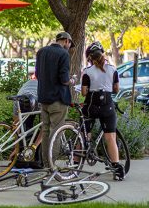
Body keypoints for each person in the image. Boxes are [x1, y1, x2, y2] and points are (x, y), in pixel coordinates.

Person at [81, 41, 124, 180]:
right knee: (110, 137)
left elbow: (83, 92)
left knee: (83, 133)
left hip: (91, 105)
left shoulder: (87, 72)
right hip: (107, 106)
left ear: (90, 58)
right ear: (103, 55)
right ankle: (117, 169)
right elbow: (116, 89)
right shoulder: (113, 69)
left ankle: (76, 163)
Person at [35, 31, 76, 168]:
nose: (69, 47)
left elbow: (37, 74)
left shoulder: (41, 52)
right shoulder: (64, 54)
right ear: (66, 41)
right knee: (56, 132)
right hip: (58, 99)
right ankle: (52, 165)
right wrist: (72, 80)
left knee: (46, 131)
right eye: (69, 44)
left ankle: (46, 163)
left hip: (43, 98)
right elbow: (64, 79)